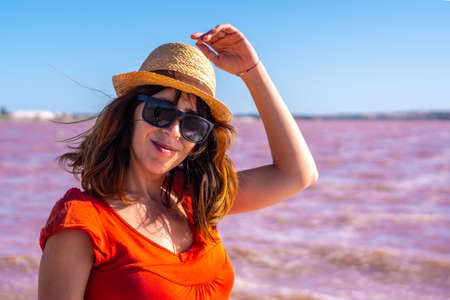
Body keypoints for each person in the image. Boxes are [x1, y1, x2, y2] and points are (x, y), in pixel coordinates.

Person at [38, 23, 318, 300]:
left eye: (193, 125)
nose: (173, 132)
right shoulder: (82, 222)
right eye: (159, 111)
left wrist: (252, 72)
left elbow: (297, 175)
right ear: (127, 114)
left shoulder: (195, 198)